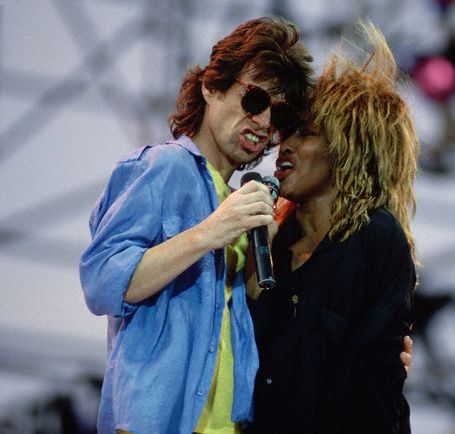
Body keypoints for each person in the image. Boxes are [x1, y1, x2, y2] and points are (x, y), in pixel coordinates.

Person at [79, 17, 314, 434]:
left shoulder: (242, 202)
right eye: (255, 100)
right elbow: (102, 282)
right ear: (211, 86)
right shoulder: (165, 167)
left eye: (278, 115)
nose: (264, 123)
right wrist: (211, 231)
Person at [248, 22, 419, 434]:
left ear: (348, 149)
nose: (285, 145)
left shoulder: (376, 239)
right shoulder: (269, 242)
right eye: (287, 133)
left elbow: (372, 384)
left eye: (307, 133)